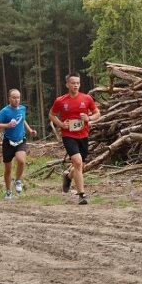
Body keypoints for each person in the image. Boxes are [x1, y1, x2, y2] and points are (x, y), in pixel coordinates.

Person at [49, 73, 100, 205]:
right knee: (77, 162)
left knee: (80, 165)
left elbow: (97, 114)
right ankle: (81, 195)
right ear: (67, 85)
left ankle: (68, 176)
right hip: (68, 135)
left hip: (83, 135)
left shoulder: (87, 98)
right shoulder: (61, 100)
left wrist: (88, 118)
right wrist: (60, 124)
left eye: (77, 83)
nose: (76, 85)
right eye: (73, 83)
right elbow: (52, 115)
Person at [0, 89, 37, 200]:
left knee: (21, 161)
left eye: (18, 97)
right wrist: (6, 125)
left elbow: (23, 119)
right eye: (14, 97)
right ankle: (8, 191)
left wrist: (30, 130)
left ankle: (18, 180)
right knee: (8, 169)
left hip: (20, 140)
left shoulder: (22, 108)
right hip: (8, 142)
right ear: (9, 98)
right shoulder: (5, 111)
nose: (16, 100)